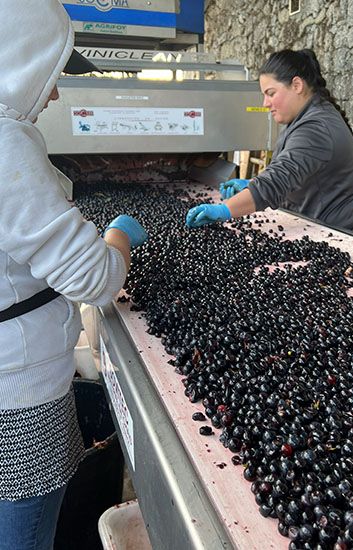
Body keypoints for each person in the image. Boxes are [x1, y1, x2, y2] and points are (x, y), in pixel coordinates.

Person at [0, 2, 148, 549]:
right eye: (52, 73)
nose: (56, 94)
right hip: (18, 394)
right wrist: (119, 236)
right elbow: (95, 279)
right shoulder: (4, 141)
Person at [186, 49, 353, 233]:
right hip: (312, 229)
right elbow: (289, 173)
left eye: (271, 93)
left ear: (297, 85)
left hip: (335, 236)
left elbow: (278, 180)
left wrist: (224, 210)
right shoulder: (299, 119)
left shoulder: (316, 128)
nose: (265, 103)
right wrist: (251, 184)